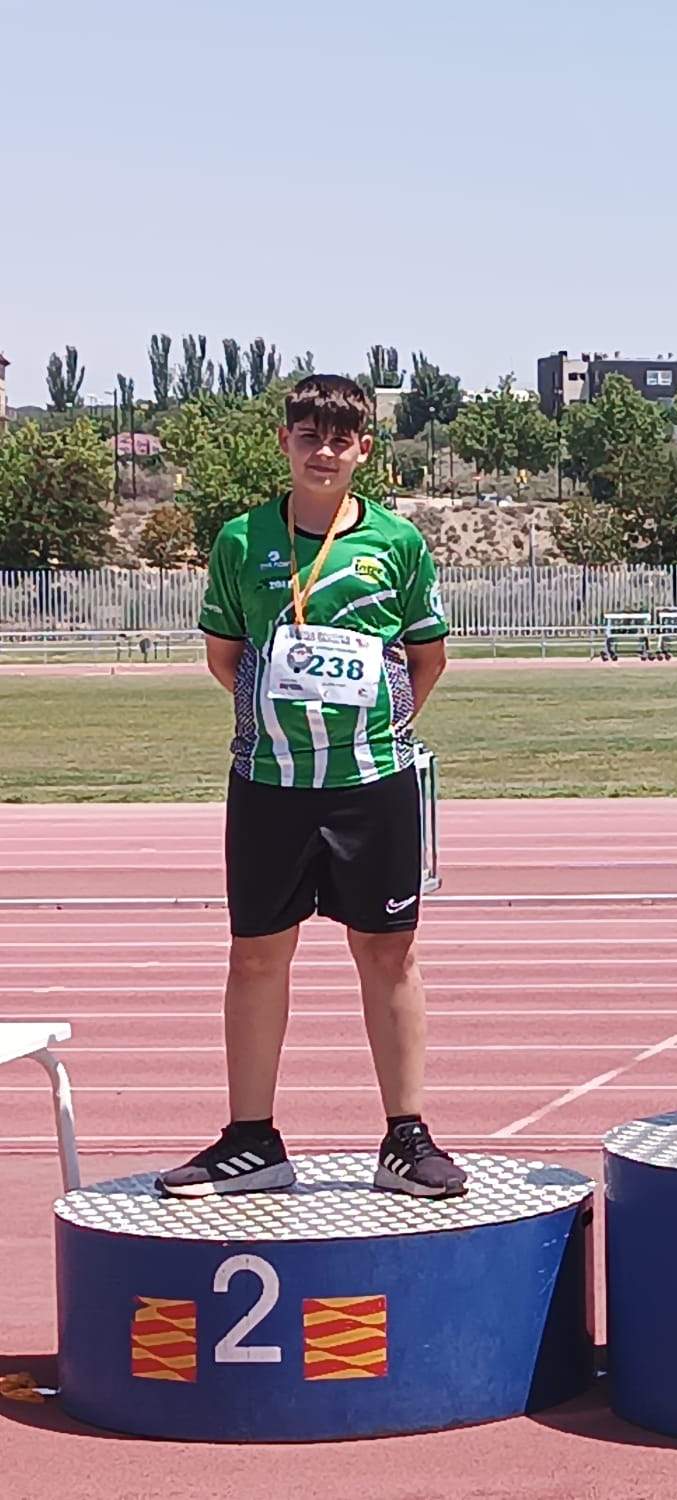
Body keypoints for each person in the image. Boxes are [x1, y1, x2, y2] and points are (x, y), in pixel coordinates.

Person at [157, 374, 464, 1199]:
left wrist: (369, 730)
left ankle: (406, 1137)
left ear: (364, 449)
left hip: (374, 782)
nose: (323, 451)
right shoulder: (241, 539)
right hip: (270, 783)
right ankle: (251, 1140)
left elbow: (428, 658)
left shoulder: (398, 542)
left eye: (339, 439)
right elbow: (225, 657)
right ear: (285, 442)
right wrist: (286, 716)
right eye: (308, 435)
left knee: (389, 952)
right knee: (258, 954)